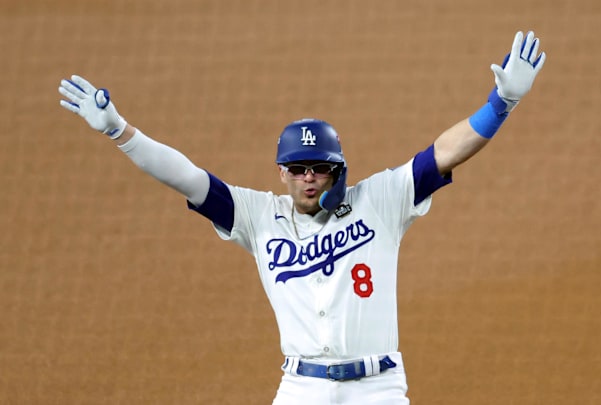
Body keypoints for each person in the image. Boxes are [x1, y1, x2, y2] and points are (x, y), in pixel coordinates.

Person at [58, 30, 546, 404]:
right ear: (282, 172)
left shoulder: (381, 199)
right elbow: (185, 177)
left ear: (337, 169)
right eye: (298, 169)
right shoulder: (256, 215)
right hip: (301, 389)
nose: (308, 178)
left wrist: (499, 104)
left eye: (319, 168)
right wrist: (121, 132)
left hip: (376, 388)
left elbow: (444, 152)